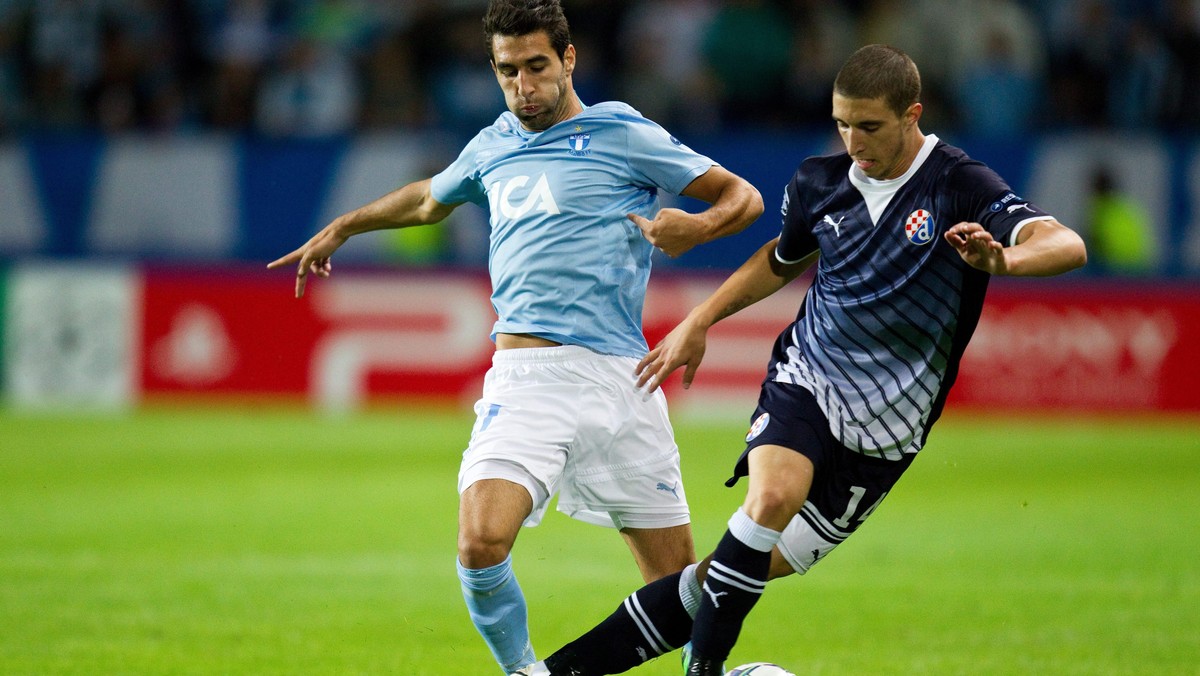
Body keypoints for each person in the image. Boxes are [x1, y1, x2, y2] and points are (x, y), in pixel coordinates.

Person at [517, 44, 1087, 676]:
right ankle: (702, 672)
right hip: (808, 377)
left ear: (912, 114)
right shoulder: (820, 181)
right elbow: (779, 261)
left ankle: (552, 674)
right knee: (771, 497)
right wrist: (699, 319)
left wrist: (1004, 260)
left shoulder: (958, 183)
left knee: (724, 575)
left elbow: (1065, 242)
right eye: (842, 123)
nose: (853, 140)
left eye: (868, 126)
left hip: (889, 433)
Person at [266, 1, 764, 673]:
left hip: (625, 380)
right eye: (508, 72)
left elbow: (744, 198)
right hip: (528, 382)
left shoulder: (622, 132)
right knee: (480, 541)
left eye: (536, 67)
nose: (524, 87)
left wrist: (699, 229)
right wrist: (345, 226)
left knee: (677, 591)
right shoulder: (493, 144)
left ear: (568, 59)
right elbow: (426, 200)